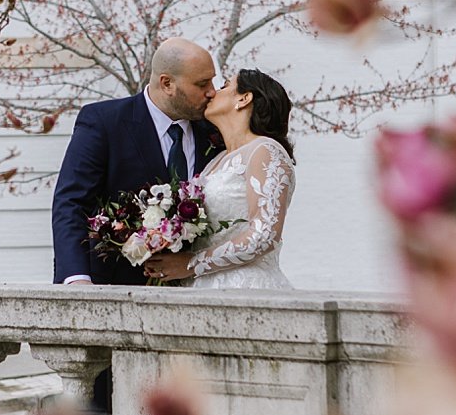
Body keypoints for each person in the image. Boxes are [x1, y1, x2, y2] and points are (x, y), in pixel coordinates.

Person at [52, 37, 221, 286]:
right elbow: (71, 203)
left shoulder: (215, 131)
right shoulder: (104, 122)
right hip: (115, 286)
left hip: (198, 288)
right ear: (167, 84)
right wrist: (77, 279)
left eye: (213, 80)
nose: (212, 91)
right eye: (202, 83)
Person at [145, 68, 295, 289]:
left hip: (246, 287)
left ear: (244, 98)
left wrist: (191, 264)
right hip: (200, 288)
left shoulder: (265, 151)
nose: (213, 93)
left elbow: (264, 235)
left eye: (225, 86)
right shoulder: (216, 161)